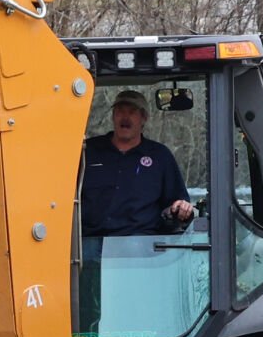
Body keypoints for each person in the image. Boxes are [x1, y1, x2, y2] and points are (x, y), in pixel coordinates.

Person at [80, 90, 194, 237]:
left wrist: (180, 208)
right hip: (89, 246)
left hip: (142, 248)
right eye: (120, 111)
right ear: (113, 116)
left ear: (143, 118)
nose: (125, 117)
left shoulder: (160, 156)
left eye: (132, 112)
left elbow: (176, 203)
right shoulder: (87, 151)